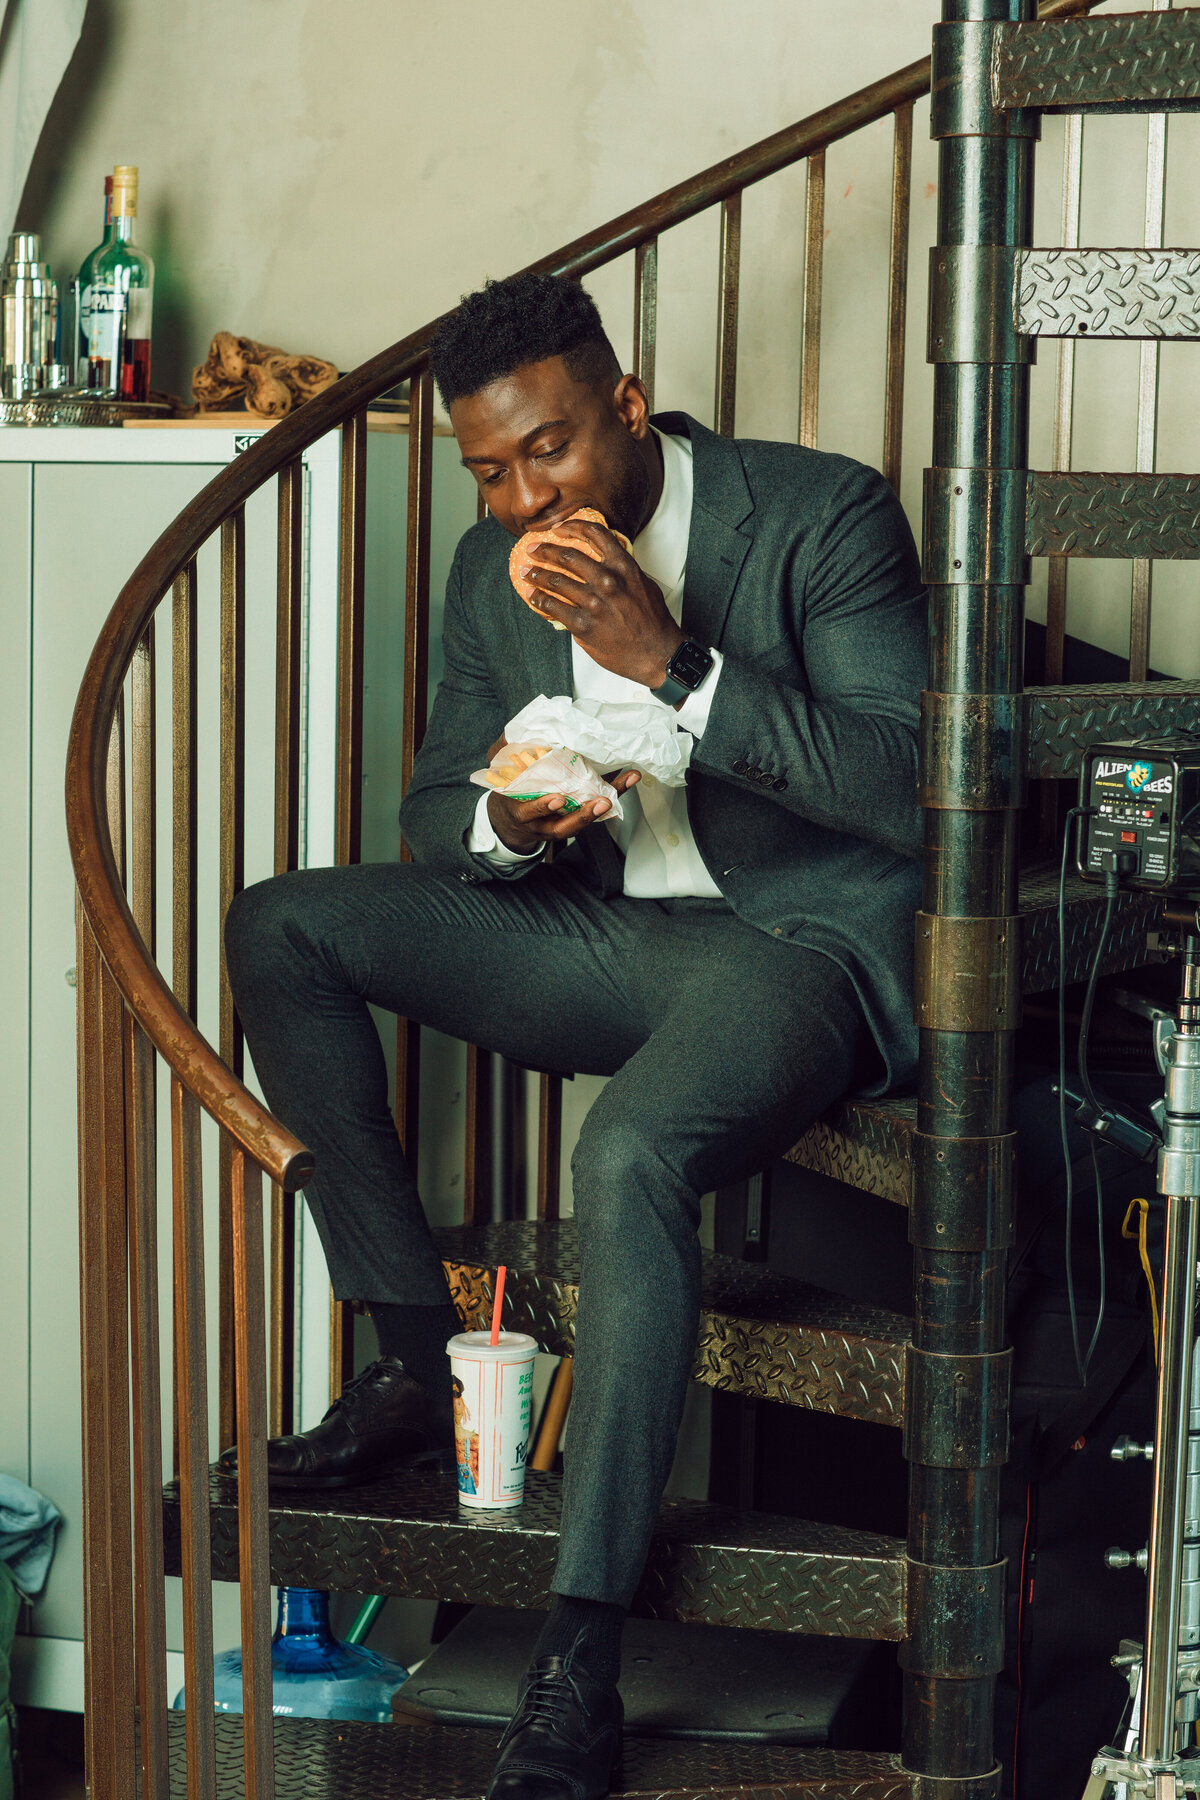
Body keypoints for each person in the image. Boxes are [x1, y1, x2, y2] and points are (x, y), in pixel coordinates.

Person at [220, 270, 926, 1800]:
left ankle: (577, 1652)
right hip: (605, 932)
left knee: (624, 1161)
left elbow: (899, 792)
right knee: (281, 923)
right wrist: (506, 822)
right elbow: (428, 806)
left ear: (622, 404)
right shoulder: (497, 573)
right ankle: (413, 1356)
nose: (520, 494)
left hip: (792, 946)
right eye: (486, 468)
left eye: (545, 451)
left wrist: (670, 655)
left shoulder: (821, 513)